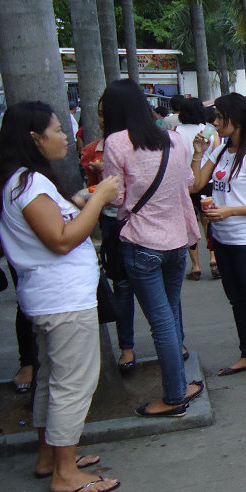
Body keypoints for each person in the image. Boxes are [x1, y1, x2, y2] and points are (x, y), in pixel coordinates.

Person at [0, 101, 121, 492]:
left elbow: (51, 227)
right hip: (63, 299)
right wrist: (99, 198)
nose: (65, 136)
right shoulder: (28, 184)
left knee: (52, 379)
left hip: (50, 297)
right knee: (72, 384)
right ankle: (65, 473)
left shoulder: (17, 182)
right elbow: (60, 240)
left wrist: (77, 203)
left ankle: (51, 458)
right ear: (34, 137)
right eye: (58, 129)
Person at [101, 78, 203, 418]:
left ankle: (174, 397)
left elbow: (114, 197)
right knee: (170, 315)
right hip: (176, 243)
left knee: (161, 322)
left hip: (142, 243)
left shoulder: (116, 143)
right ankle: (180, 385)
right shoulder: (172, 139)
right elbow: (188, 182)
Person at [187, 94, 246, 381]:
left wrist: (231, 211)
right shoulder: (219, 151)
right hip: (223, 239)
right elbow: (196, 184)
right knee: (237, 300)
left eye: (220, 117)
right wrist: (198, 153)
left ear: (237, 120)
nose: (215, 122)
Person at [82, 96, 138, 373]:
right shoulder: (93, 149)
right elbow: (95, 190)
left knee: (155, 286)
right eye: (100, 113)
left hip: (140, 220)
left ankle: (174, 341)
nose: (102, 119)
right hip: (112, 222)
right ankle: (126, 347)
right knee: (123, 286)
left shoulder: (143, 145)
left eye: (107, 113)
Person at [175, 98, 220, 280]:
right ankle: (213, 258)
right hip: (208, 181)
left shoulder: (176, 132)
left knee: (189, 221)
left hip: (185, 183)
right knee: (209, 219)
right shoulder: (210, 131)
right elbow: (217, 155)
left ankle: (195, 266)